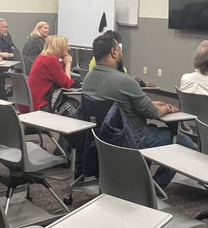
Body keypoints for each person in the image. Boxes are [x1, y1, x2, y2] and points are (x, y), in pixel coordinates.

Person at [82, 31, 194, 188]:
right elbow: (152, 113)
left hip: (102, 138)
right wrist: (168, 107)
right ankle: (155, 186)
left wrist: (151, 103)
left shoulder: (88, 79)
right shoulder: (125, 81)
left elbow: (128, 104)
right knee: (185, 142)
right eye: (119, 49)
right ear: (113, 52)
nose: (121, 52)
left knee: (154, 130)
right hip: (132, 139)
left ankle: (140, 179)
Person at [27, 34, 74, 112]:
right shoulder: (51, 60)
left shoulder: (42, 57)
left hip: (29, 103)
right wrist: (68, 64)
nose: (68, 48)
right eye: (66, 45)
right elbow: (66, 84)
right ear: (60, 47)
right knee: (73, 108)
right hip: (39, 105)